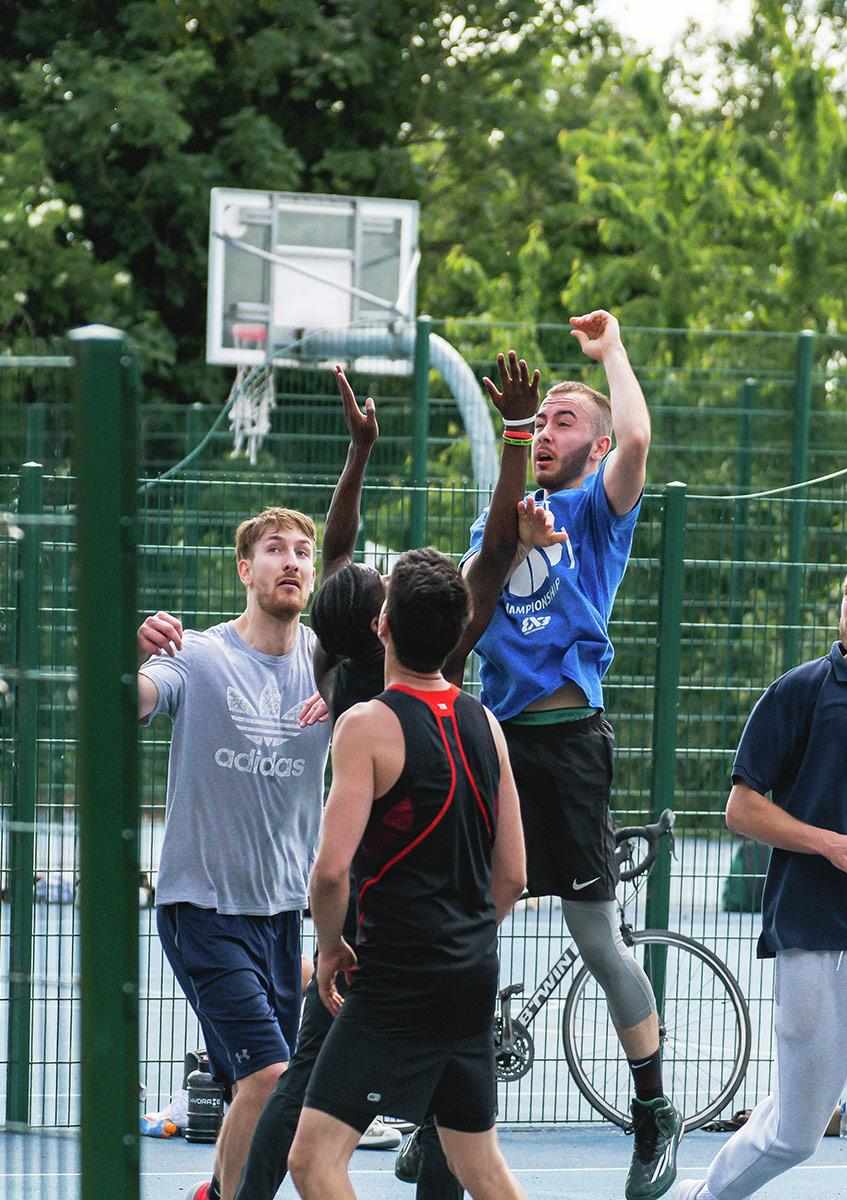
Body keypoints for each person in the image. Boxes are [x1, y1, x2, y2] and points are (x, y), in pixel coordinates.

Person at [235, 359, 562, 1200]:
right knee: (462, 1148)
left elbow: (343, 550)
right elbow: (493, 552)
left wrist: (360, 453)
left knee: (313, 1114)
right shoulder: (468, 704)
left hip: (384, 946)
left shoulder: (352, 684)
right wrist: (518, 438)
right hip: (459, 948)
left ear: (378, 618)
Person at [464, 308, 681, 1200]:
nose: (548, 430)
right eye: (538, 419)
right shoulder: (503, 517)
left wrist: (613, 350)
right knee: (470, 924)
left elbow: (636, 433)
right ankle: (454, 1113)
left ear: (590, 450)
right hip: (497, 742)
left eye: (564, 420)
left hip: (569, 744)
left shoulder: (596, 513)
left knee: (595, 934)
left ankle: (653, 1111)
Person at [288, 547, 529, 1200]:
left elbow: (331, 871)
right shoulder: (487, 725)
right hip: (470, 976)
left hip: (396, 979)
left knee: (314, 1162)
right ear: (457, 631)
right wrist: (464, 929)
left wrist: (332, 945)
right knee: (479, 1167)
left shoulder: (366, 726)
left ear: (381, 626)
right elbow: (513, 875)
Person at [674, 551, 847, 1200]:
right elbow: (740, 809)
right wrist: (828, 844)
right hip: (819, 951)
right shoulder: (800, 692)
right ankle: (706, 1197)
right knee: (792, 1136)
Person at [137, 507, 331, 1200]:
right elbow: (133, 699)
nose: (292, 561)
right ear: (245, 569)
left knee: (261, 1090)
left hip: (282, 918)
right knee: (269, 1079)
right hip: (203, 909)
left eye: (303, 551)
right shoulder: (200, 655)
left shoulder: (328, 667)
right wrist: (128, 657)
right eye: (275, 549)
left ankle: (216, 1194)